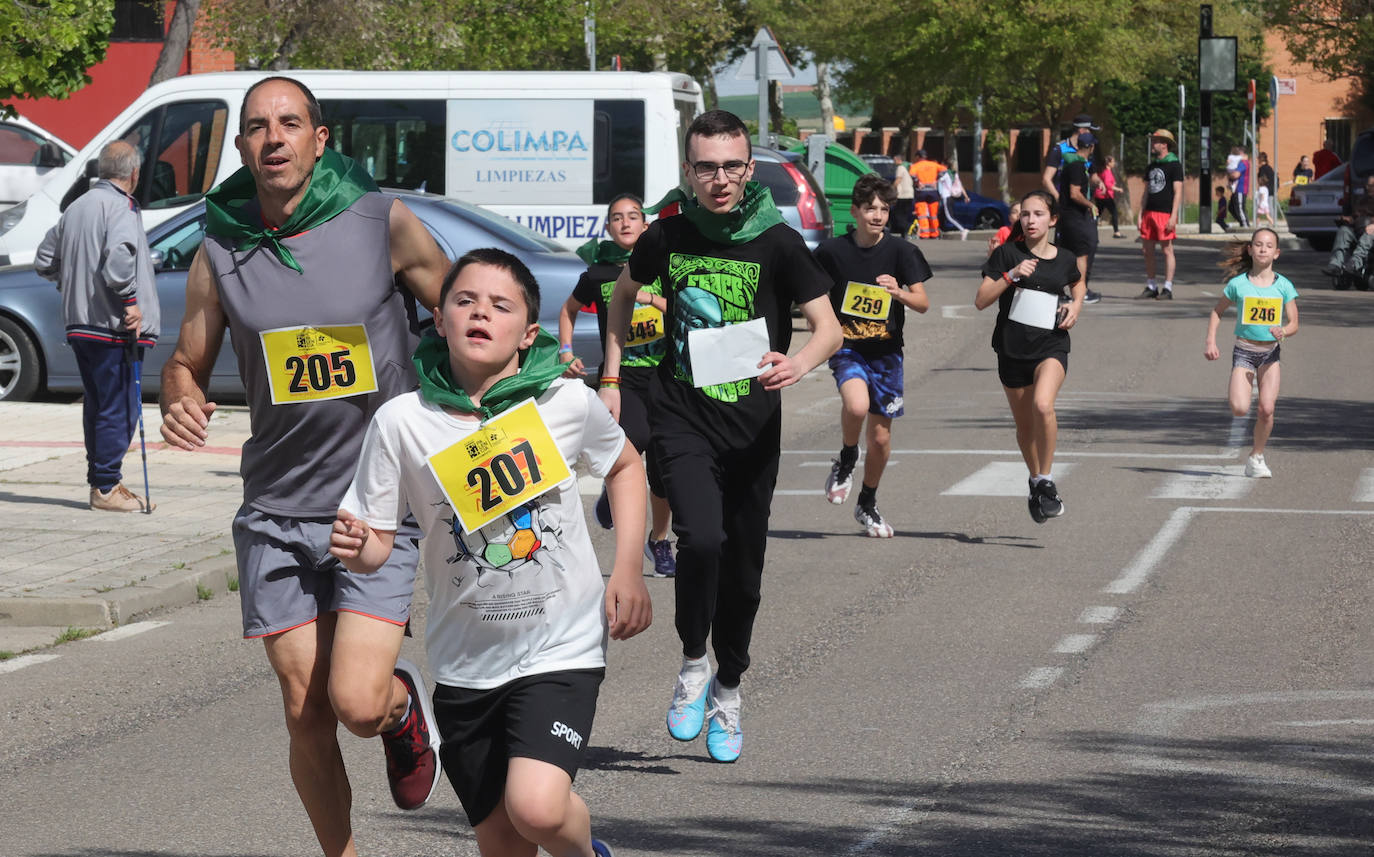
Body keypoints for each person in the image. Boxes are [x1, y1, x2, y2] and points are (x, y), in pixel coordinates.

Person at [158, 76, 452, 856]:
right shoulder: (220, 248)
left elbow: (465, 309)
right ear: (244, 146)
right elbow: (187, 358)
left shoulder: (377, 220)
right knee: (303, 709)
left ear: (321, 140)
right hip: (276, 509)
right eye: (257, 127)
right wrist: (178, 391)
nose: (274, 138)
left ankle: (398, 709)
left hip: (374, 502)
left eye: (291, 123)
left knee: (354, 701)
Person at [331, 248, 650, 857]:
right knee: (504, 844)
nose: (480, 312)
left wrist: (629, 568)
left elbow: (626, 465)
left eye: (500, 306)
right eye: (464, 300)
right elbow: (375, 546)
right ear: (440, 319)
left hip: (561, 646)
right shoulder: (403, 421)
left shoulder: (562, 402)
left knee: (537, 806)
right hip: (465, 663)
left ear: (528, 333)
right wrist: (356, 547)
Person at [597, 109, 842, 763]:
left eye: (732, 165)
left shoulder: (778, 242)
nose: (720, 178)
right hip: (684, 417)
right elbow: (622, 297)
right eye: (706, 166)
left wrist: (801, 361)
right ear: (688, 171)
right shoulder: (668, 236)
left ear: (749, 168)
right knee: (699, 538)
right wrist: (612, 375)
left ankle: (728, 687)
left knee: (745, 573)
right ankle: (692, 664)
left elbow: (829, 326)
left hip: (755, 427)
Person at [35, 141, 160, 513]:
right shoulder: (121, 206)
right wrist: (131, 301)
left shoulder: (77, 207)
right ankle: (106, 486)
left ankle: (102, 481)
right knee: (118, 406)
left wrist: (69, 281)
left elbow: (45, 259)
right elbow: (119, 262)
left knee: (99, 403)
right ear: (133, 174)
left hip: (81, 323)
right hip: (112, 325)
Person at [558, 193, 675, 577]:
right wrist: (565, 350)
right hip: (621, 378)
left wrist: (648, 297)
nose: (625, 223)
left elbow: (684, 308)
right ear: (608, 228)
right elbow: (568, 310)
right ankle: (613, 493)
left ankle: (660, 541)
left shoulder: (663, 265)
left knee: (662, 469)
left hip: (666, 374)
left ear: (646, 225)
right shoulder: (599, 274)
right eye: (617, 218)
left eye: (633, 216)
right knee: (634, 440)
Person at [816, 174, 931, 537]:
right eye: (870, 209)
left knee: (880, 439)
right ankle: (848, 456)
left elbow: (923, 303)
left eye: (884, 209)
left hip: (886, 355)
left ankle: (867, 501)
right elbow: (810, 293)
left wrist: (899, 293)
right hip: (848, 347)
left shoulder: (902, 252)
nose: (878, 215)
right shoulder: (832, 252)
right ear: (855, 211)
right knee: (856, 406)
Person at [976, 190, 1084, 523]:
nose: (1030, 220)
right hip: (1011, 349)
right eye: (1025, 214)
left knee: (1042, 405)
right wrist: (1011, 275)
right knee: (1025, 427)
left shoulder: (1065, 258)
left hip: (1051, 344)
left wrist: (1076, 306)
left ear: (1052, 220)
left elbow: (1077, 283)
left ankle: (1047, 478)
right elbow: (981, 300)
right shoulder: (1007, 254)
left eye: (1038, 214)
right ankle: (1036, 479)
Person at [1204, 228, 1299, 479]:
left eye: (1268, 246)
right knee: (1239, 408)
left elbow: (1294, 323)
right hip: (1244, 352)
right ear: (1250, 249)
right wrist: (1211, 341)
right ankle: (1254, 453)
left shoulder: (1284, 286)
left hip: (1270, 355)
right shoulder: (1238, 284)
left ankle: (1256, 456)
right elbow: (1217, 311)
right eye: (1258, 244)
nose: (1263, 249)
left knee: (1266, 409)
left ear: (1276, 253)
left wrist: (1283, 331)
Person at [1042, 115, 1102, 304]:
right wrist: (1060, 198)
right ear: (1082, 130)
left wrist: (1099, 182)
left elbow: (1092, 174)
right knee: (1064, 249)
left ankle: (1081, 287)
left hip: (1084, 208)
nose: (1091, 133)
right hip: (1068, 208)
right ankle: (1061, 289)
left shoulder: (1088, 150)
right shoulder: (1060, 149)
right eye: (1090, 129)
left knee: (1089, 245)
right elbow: (1047, 178)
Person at [1137, 129, 1184, 300]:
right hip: (1149, 212)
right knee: (1147, 250)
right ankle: (1151, 285)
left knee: (1167, 250)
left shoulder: (1174, 165)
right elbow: (1146, 192)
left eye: (1156, 141)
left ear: (1164, 144)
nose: (1153, 144)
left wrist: (1173, 216)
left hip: (1164, 214)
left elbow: (1177, 192)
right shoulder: (1152, 166)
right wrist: (1140, 213)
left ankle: (1168, 287)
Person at [1055, 132, 1100, 299]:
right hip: (1074, 217)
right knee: (1081, 254)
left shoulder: (1073, 163)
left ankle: (1058, 292)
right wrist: (1090, 205)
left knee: (1065, 254)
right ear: (1091, 147)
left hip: (1067, 216)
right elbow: (1075, 193)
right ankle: (1080, 293)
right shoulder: (1077, 166)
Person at [1321, 172, 1374, 282]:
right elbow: (1356, 216)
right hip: (1359, 229)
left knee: (1368, 234)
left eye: (1371, 185)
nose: (1368, 188)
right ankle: (1335, 265)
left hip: (1370, 232)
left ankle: (1354, 264)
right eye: (1368, 185)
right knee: (1344, 230)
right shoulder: (1363, 200)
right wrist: (1348, 219)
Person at [909, 149, 943, 239]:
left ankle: (924, 234)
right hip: (933, 192)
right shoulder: (933, 164)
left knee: (922, 214)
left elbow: (912, 174)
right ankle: (934, 233)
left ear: (918, 157)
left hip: (921, 192)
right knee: (933, 214)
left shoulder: (915, 165)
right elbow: (944, 170)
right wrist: (936, 180)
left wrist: (917, 182)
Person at [937, 159, 970, 239]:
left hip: (946, 196)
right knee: (942, 216)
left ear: (945, 165)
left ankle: (963, 230)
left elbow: (937, 182)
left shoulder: (944, 174)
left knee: (949, 216)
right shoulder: (954, 174)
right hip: (951, 197)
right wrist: (966, 196)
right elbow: (960, 186)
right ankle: (938, 233)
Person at [1094, 155, 1123, 238]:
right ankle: (1116, 232)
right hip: (1105, 196)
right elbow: (1107, 184)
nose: (1114, 163)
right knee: (1114, 213)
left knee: (1097, 213)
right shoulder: (1107, 172)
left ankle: (1091, 228)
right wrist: (1118, 189)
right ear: (1108, 163)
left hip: (1100, 195)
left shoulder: (1104, 171)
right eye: (1113, 161)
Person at [890, 154, 915, 237]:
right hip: (909, 195)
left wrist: (891, 188)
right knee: (904, 214)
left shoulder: (900, 168)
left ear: (898, 160)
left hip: (903, 195)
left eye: (894, 160)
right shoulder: (906, 168)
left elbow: (898, 180)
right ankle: (904, 232)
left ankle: (905, 229)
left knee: (898, 214)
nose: (893, 161)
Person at [1227, 147, 1250, 229]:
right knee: (1231, 207)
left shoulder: (1243, 163)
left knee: (1239, 208)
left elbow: (1235, 175)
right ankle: (1242, 222)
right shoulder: (1239, 163)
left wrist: (1229, 173)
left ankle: (1245, 225)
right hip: (1237, 189)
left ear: (1242, 154)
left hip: (1241, 189)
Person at [1255, 152, 1276, 227]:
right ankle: (1272, 221)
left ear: (1261, 159)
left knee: (1269, 206)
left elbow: (1261, 179)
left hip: (1267, 190)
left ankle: (1273, 222)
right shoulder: (1268, 167)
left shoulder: (1263, 168)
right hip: (1270, 189)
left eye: (1258, 159)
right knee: (1269, 207)